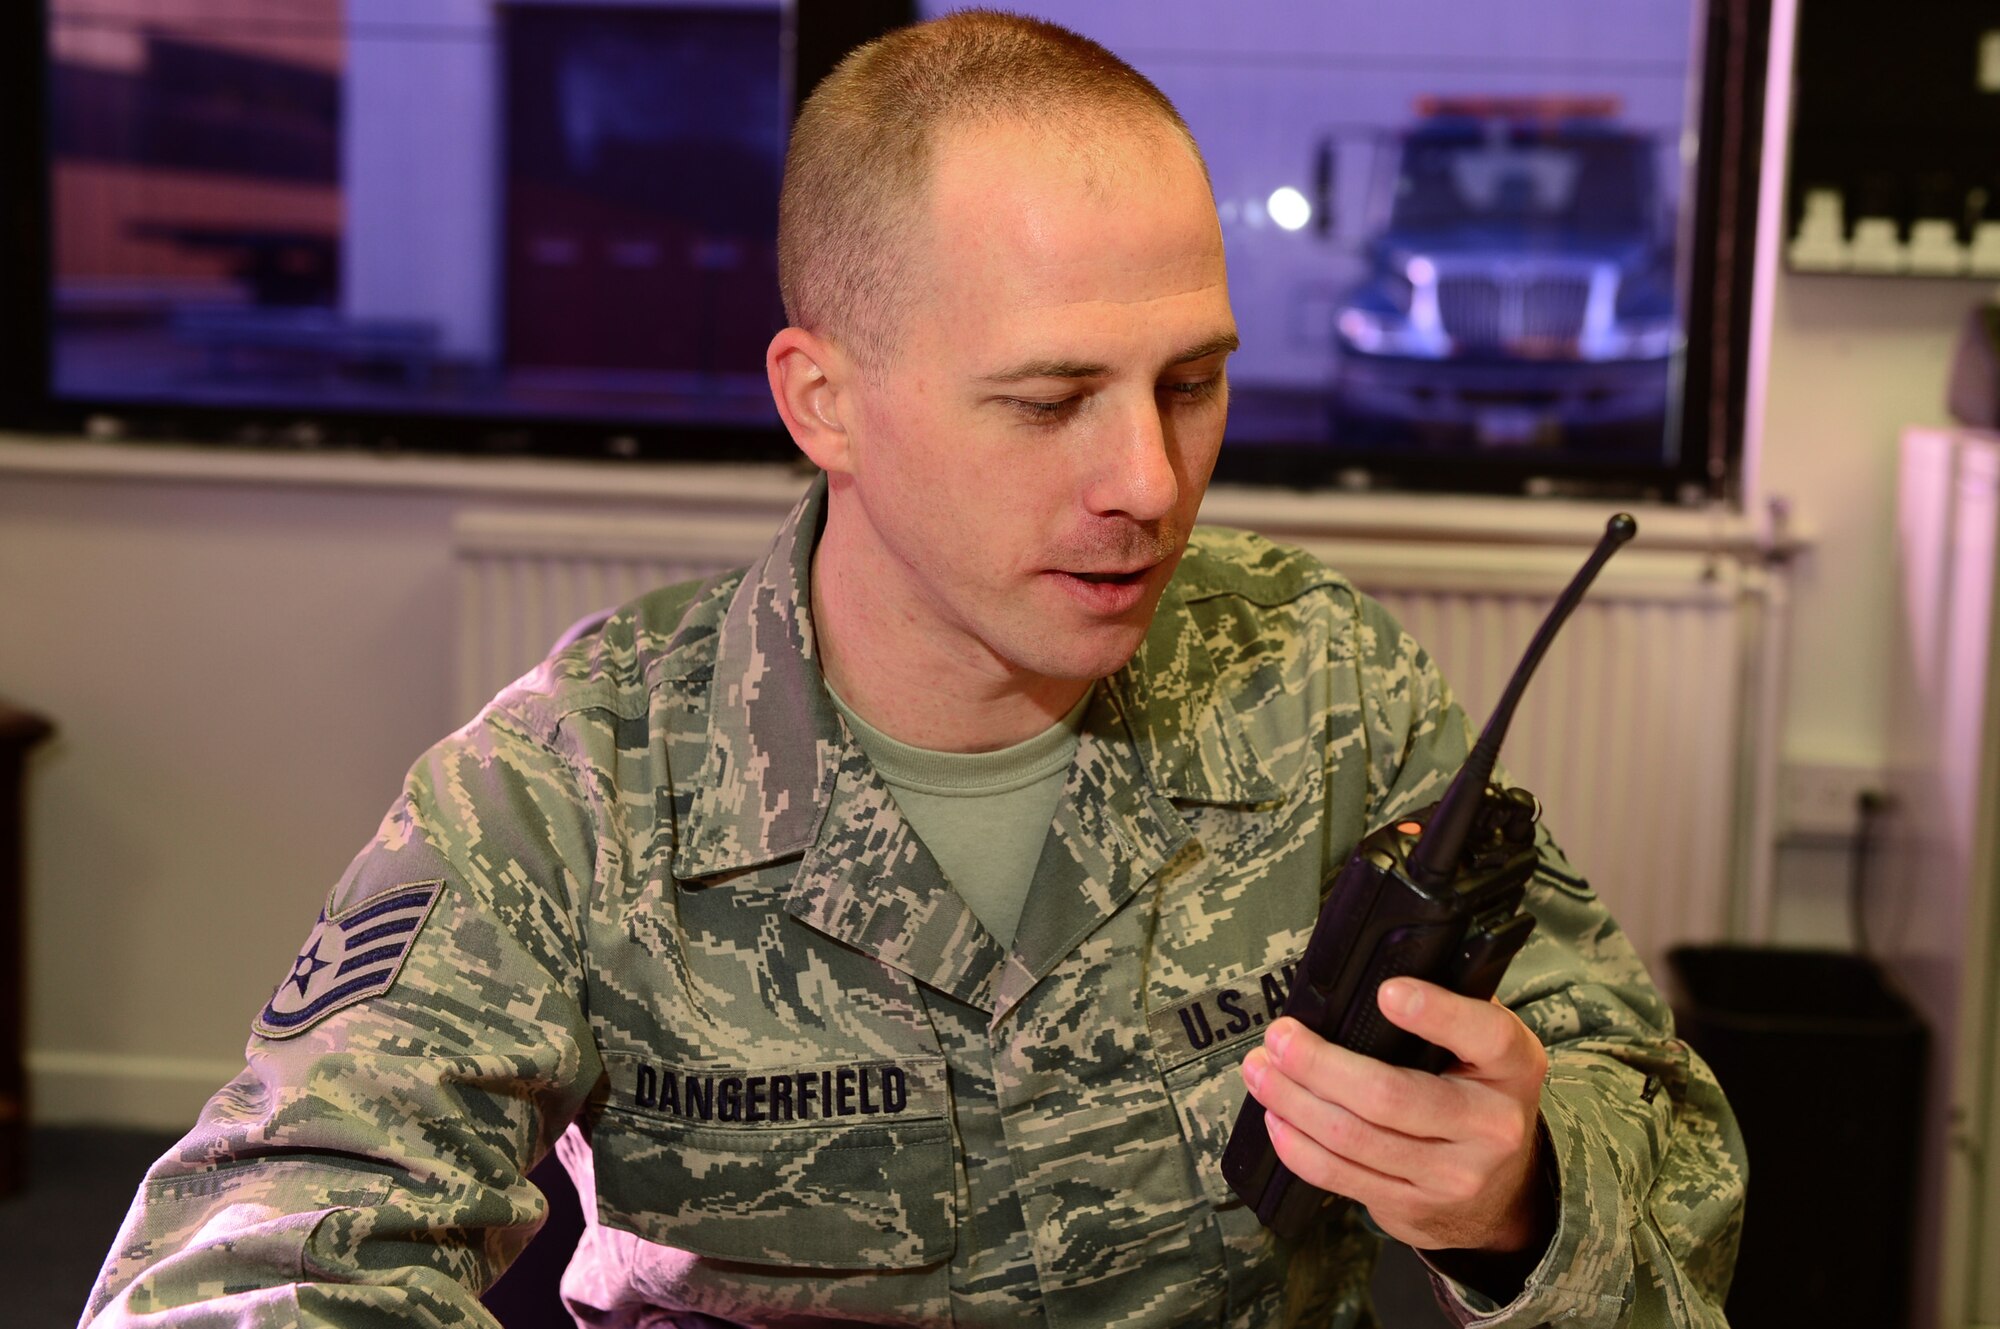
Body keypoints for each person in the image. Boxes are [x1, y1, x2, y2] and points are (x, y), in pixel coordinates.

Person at [83, 11, 1744, 1327]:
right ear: (824, 402)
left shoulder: (1319, 686)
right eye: (1046, 401)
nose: (1150, 483)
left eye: (1191, 383)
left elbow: (1660, 1135)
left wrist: (1526, 1190)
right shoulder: (577, 784)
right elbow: (242, 1268)